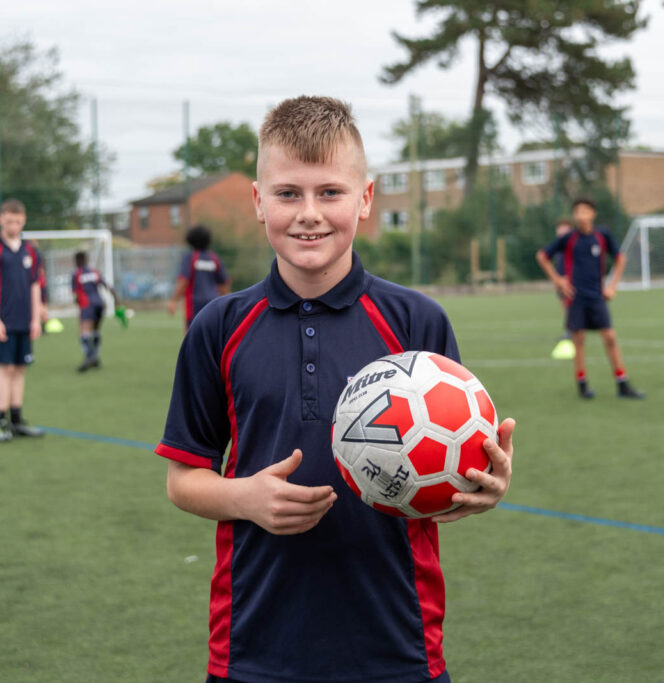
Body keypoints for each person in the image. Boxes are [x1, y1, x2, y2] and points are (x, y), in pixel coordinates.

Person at [156, 96, 515, 683]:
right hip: (255, 642)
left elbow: (456, 461)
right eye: (287, 193)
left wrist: (484, 483)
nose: (308, 213)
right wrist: (244, 498)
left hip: (397, 641)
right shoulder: (218, 327)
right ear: (257, 200)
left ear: (366, 199)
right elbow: (183, 480)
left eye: (330, 192)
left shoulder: (416, 323)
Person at [536, 198, 645, 399]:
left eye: (585, 211)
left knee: (610, 338)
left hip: (597, 297)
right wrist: (558, 281)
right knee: (579, 340)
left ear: (593, 213)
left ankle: (622, 384)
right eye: (577, 211)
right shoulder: (569, 238)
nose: (581, 215)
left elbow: (620, 258)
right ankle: (582, 384)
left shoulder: (601, 236)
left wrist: (612, 286)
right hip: (576, 298)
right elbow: (542, 256)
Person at [0, 199, 45, 442]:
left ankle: (17, 420)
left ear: (23, 221)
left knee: (20, 368)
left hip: (25, 321)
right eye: (9, 220)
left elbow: (35, 285)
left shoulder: (31, 251)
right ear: (1, 219)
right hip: (2, 321)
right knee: (4, 369)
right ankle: (1, 421)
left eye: (18, 221)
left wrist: (36, 319)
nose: (14, 225)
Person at [167, 224, 231, 331]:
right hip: (213, 304)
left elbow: (183, 281)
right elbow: (224, 284)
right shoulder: (214, 258)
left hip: (194, 305)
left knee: (191, 337)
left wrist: (174, 300)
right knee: (211, 336)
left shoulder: (190, 258)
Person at [72, 250, 117, 372]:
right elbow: (109, 287)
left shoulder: (76, 274)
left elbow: (76, 295)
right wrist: (116, 302)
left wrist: (79, 306)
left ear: (76, 261)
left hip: (87, 304)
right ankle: (95, 356)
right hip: (100, 304)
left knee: (84, 330)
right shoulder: (94, 272)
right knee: (96, 330)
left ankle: (89, 356)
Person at [550, 218, 576, 360]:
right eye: (559, 229)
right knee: (565, 307)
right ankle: (569, 331)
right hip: (560, 281)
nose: (561, 231)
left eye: (564, 229)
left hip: (569, 282)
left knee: (571, 307)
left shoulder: (571, 245)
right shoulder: (558, 247)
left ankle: (573, 332)